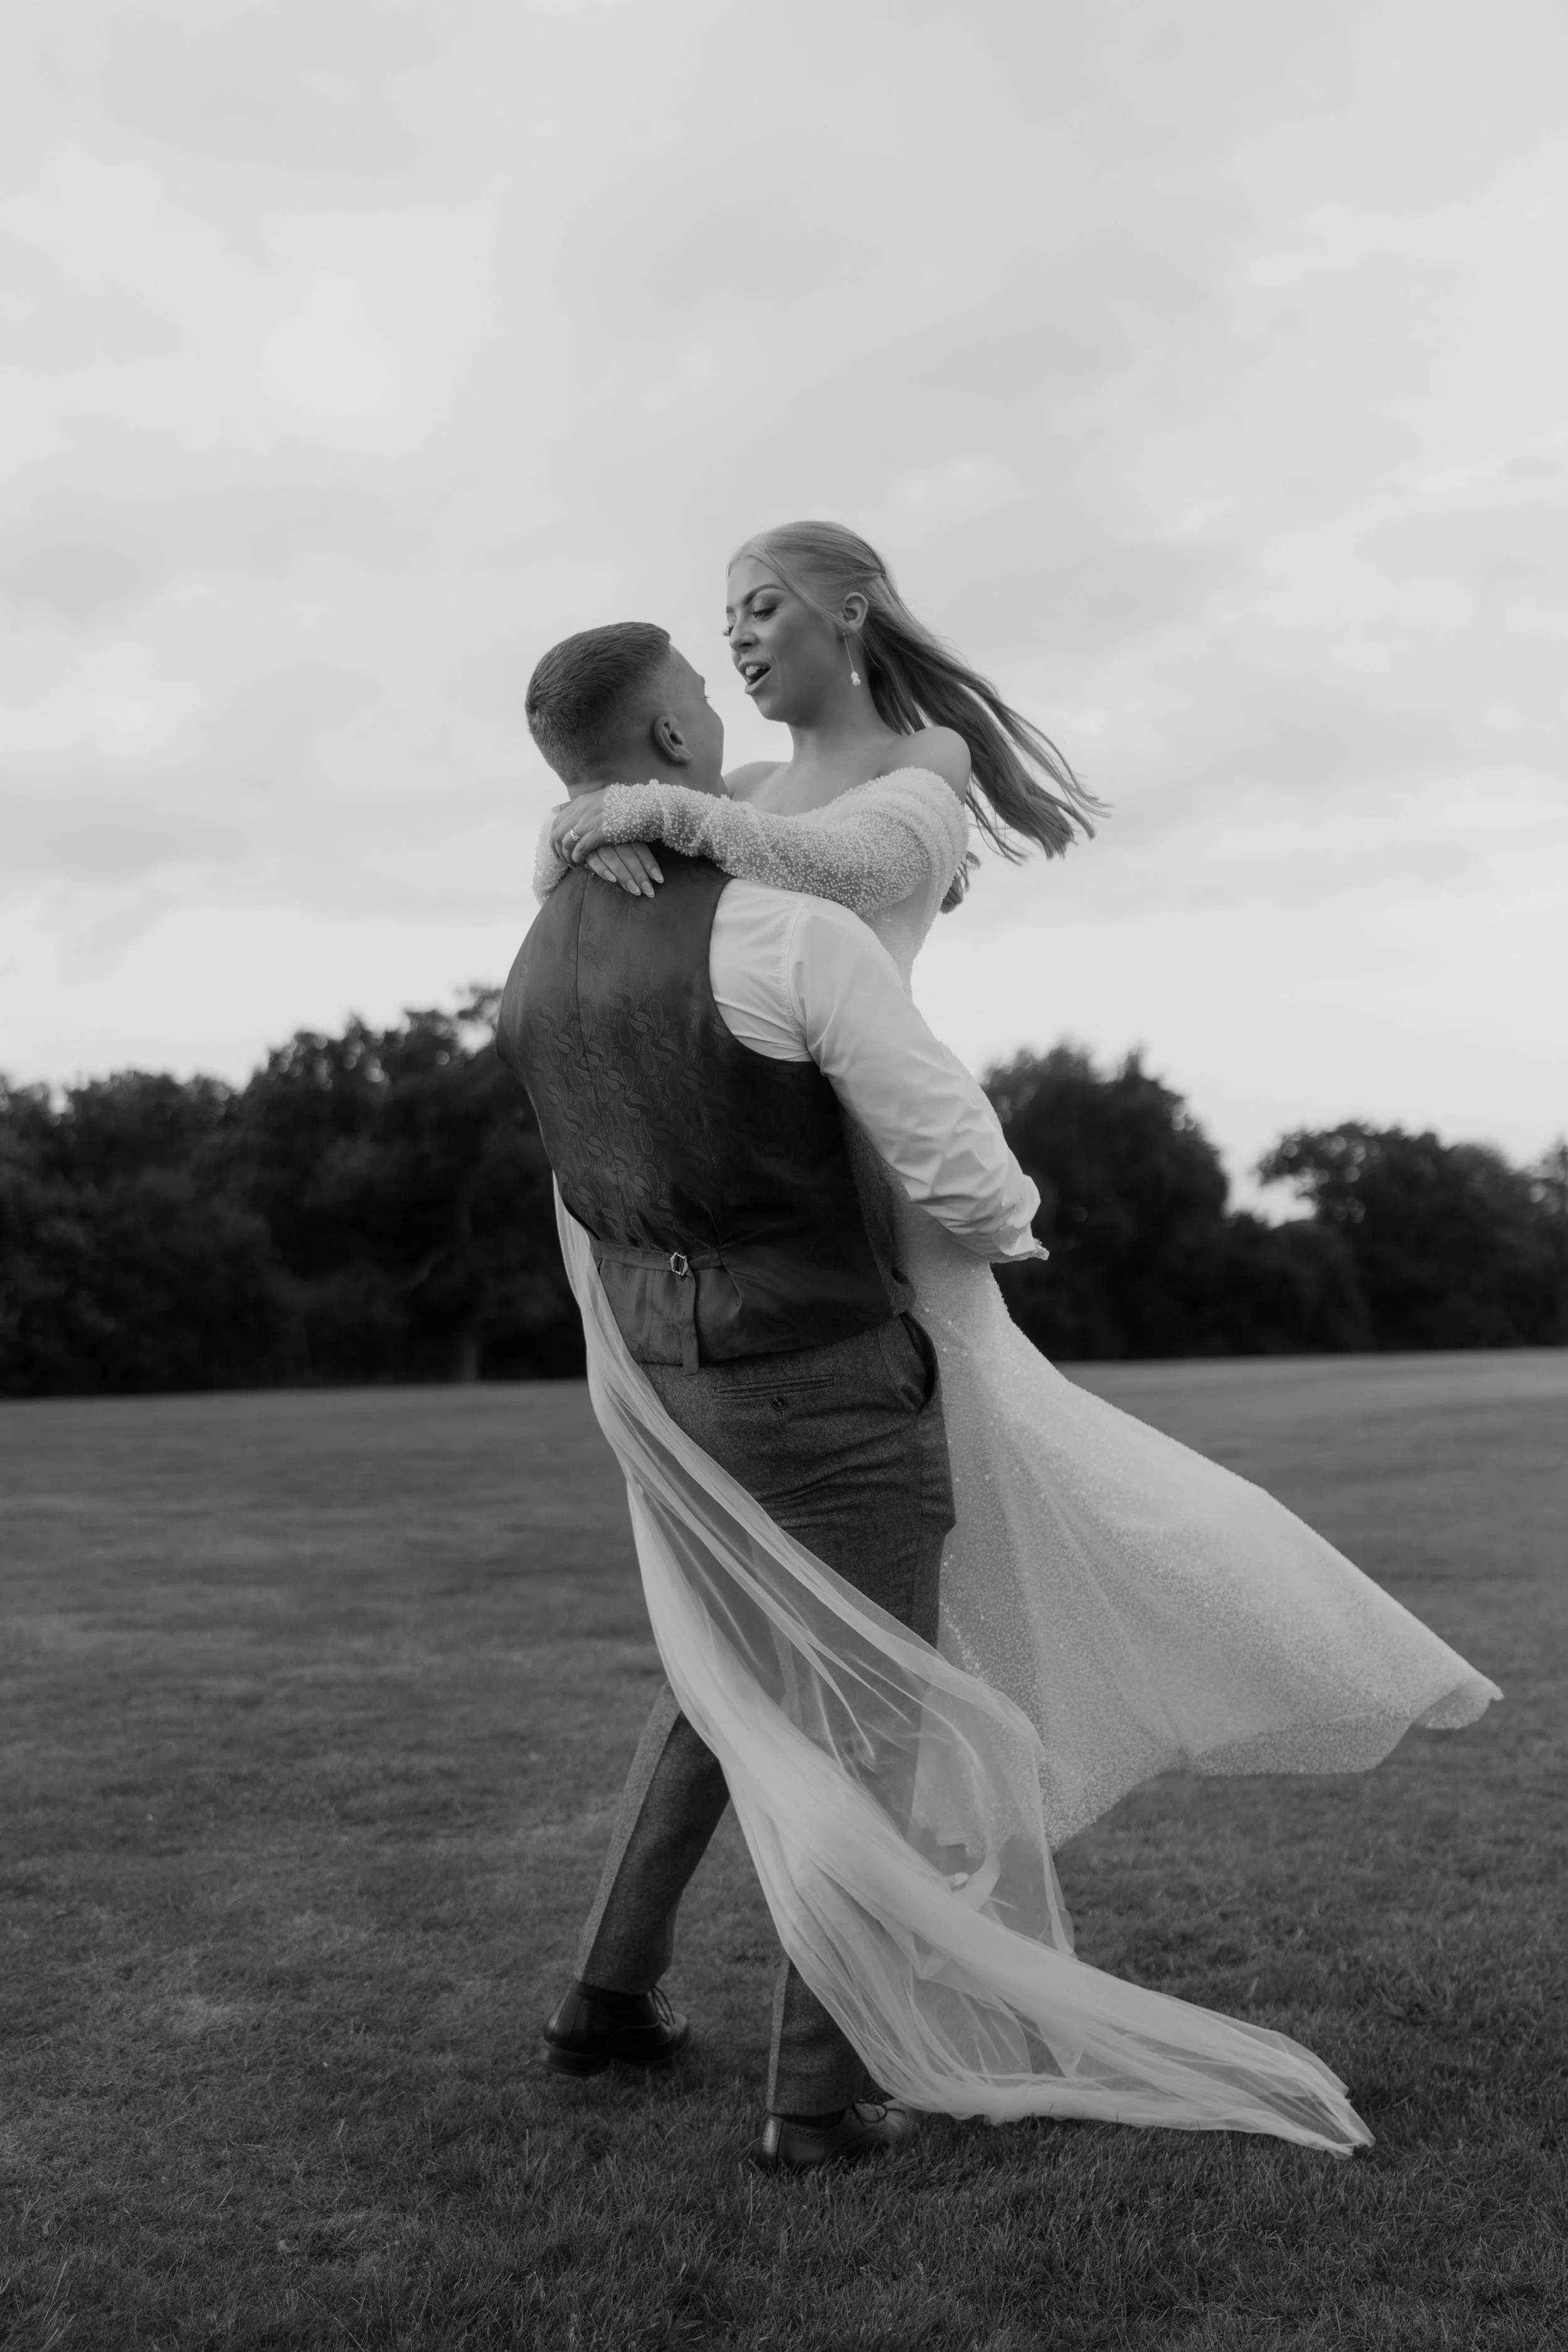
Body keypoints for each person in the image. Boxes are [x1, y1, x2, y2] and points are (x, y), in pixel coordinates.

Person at [505, 618, 1377, 2170]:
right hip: (819, 1372)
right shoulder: (788, 937)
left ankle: (604, 1998)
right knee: (870, 1720)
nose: (718, 695)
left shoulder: (537, 950)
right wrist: (1011, 1235)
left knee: (717, 1680)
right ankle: (817, 2098)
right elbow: (963, 1171)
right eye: (698, 685)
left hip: (660, 1376)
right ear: (670, 744)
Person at [537, 522, 1500, 1855]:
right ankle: (898, 1865)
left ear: (850, 610)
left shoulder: (919, 762)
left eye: (762, 607)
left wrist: (652, 812)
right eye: (726, 623)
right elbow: (623, 910)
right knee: (809, 1599)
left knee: (994, 1506)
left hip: (892, 1196)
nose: (740, 640)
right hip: (762, 1193)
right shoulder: (740, 783)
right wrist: (580, 829)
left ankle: (1054, 1763)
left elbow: (853, 870)